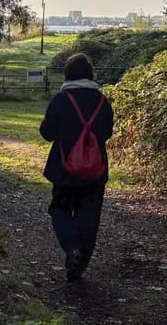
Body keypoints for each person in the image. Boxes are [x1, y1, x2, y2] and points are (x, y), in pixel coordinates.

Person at [39, 53, 114, 282]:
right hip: (95, 171)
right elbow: (107, 133)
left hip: (65, 169)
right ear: (91, 74)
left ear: (67, 74)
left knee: (59, 209)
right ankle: (78, 267)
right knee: (89, 218)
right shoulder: (102, 101)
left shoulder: (61, 99)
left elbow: (47, 133)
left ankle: (71, 248)